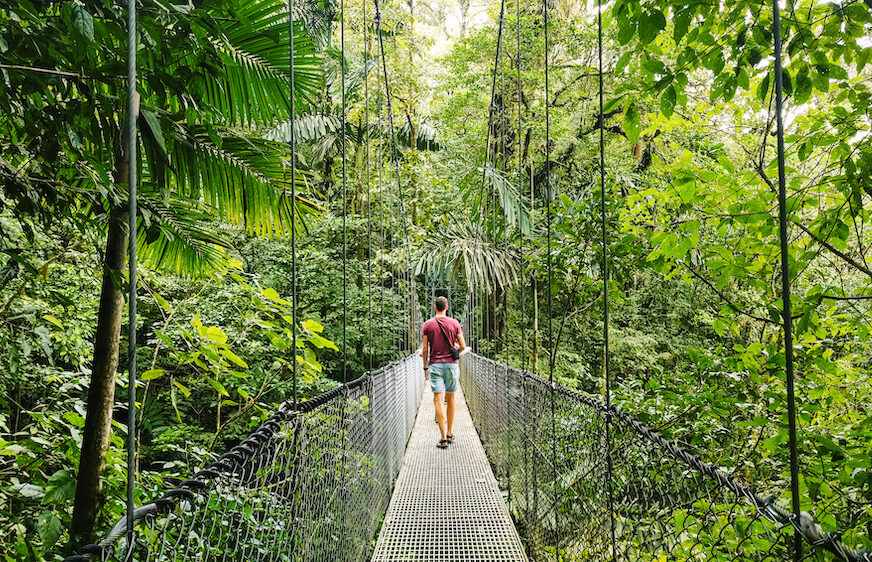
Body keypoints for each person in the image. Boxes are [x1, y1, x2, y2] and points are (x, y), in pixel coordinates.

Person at [421, 296, 466, 449]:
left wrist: (425, 367)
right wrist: (454, 351)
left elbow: (425, 349)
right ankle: (450, 433)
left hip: (435, 366)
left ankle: (443, 438)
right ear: (446, 307)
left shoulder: (427, 325)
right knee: (451, 400)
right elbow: (463, 346)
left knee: (438, 400)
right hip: (452, 366)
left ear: (435, 307)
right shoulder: (454, 323)